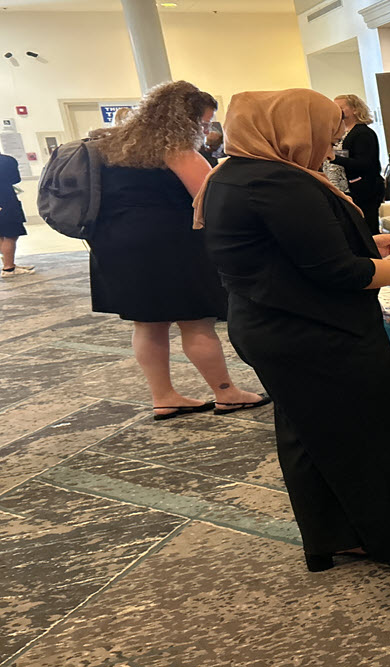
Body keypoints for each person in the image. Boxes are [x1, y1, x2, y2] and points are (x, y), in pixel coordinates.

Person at [198, 88, 390, 575]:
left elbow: (290, 254)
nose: (331, 147)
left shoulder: (232, 174)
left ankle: (337, 534)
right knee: (380, 434)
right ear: (290, 132)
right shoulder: (279, 182)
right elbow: (343, 274)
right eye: (325, 135)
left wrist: (369, 244)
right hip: (320, 333)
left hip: (273, 325)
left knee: (311, 434)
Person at [87, 81, 268, 420]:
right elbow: (210, 200)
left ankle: (164, 397)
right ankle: (226, 393)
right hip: (170, 245)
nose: (205, 129)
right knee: (195, 321)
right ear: (184, 119)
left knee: (147, 324)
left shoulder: (113, 146)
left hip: (115, 244)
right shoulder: (177, 150)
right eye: (203, 122)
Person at [331, 94, 385, 237]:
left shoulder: (363, 133)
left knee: (367, 230)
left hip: (364, 190)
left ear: (355, 109)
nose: (337, 111)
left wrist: (332, 157)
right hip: (344, 188)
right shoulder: (341, 132)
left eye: (341, 107)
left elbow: (365, 164)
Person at [0, 152, 32, 279]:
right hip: (6, 199)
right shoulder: (7, 160)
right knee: (11, 234)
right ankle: (9, 268)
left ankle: (8, 263)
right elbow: (16, 179)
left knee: (1, 233)